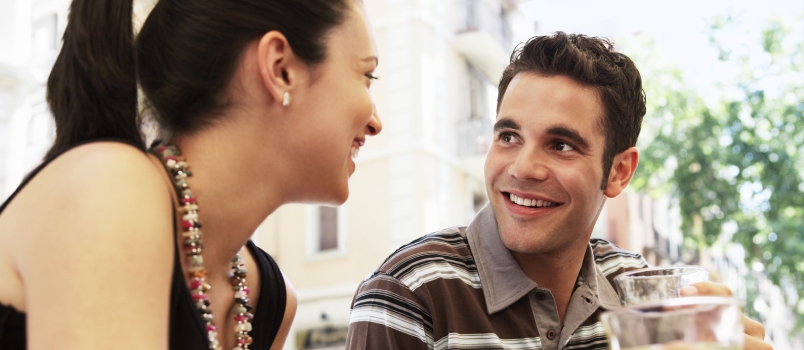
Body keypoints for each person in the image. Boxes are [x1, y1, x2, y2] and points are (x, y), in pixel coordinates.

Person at [345, 32, 771, 350]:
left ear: (619, 172)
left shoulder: (639, 296)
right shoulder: (410, 291)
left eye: (561, 145)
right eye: (508, 136)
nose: (522, 167)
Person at [0, 0, 381, 349]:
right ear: (280, 68)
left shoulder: (271, 300)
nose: (376, 122)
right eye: (367, 76)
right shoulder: (108, 189)